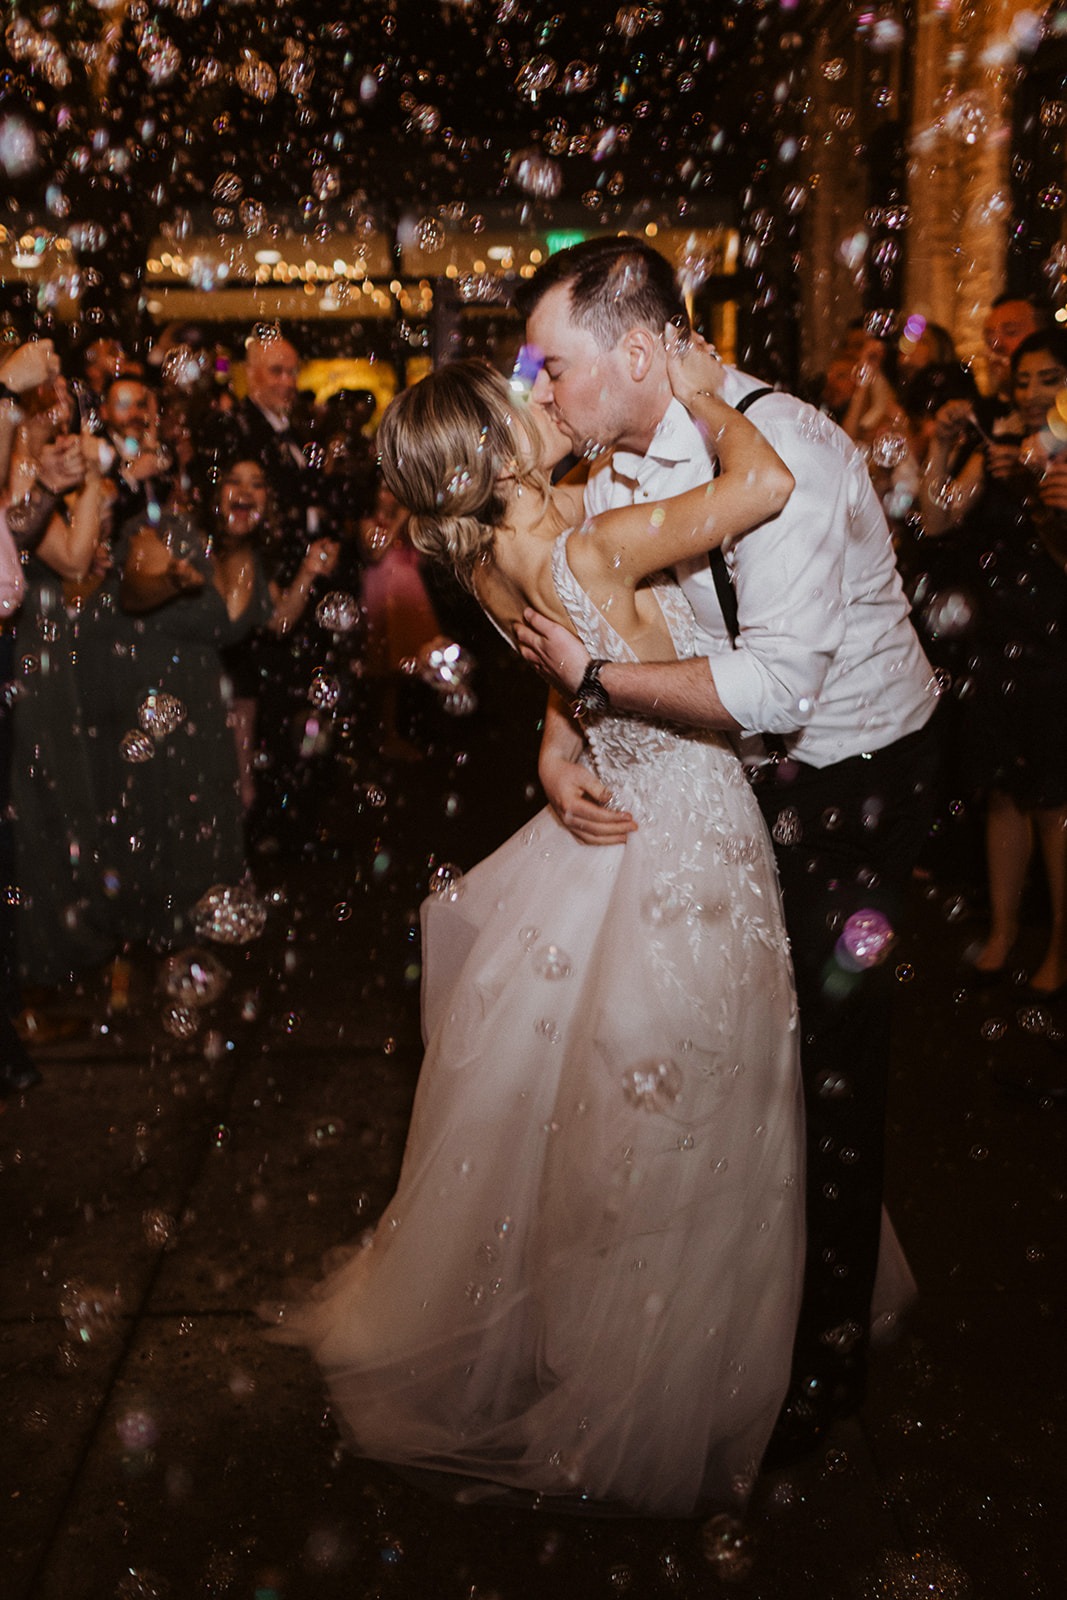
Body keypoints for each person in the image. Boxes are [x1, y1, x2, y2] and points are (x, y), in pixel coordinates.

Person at [272, 341, 808, 1518]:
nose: (542, 401)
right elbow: (765, 487)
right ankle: (657, 1373)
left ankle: (596, 1336)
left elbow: (576, 666)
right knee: (696, 1097)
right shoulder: (585, 540)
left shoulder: (504, 553)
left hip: (617, 819)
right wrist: (697, 386)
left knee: (615, 1098)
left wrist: (557, 738)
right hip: (689, 828)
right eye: (523, 402)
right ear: (492, 454)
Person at [512, 235, 938, 1465]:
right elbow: (597, 605)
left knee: (834, 1053)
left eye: (556, 367)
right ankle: (736, 1306)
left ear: (641, 350)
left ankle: (824, 1364)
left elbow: (771, 684)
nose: (541, 394)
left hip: (856, 779)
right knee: (741, 1049)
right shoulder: (604, 473)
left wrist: (594, 680)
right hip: (738, 778)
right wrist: (558, 732)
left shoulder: (787, 448)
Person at [918, 328, 1067, 999]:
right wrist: (945, 450)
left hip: (1055, 641)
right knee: (1001, 792)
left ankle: (1060, 945)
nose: (1034, 393)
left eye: (1050, 379)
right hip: (996, 638)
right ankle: (1004, 931)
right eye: (1025, 379)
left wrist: (1047, 494)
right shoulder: (999, 444)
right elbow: (937, 520)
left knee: (1052, 801)